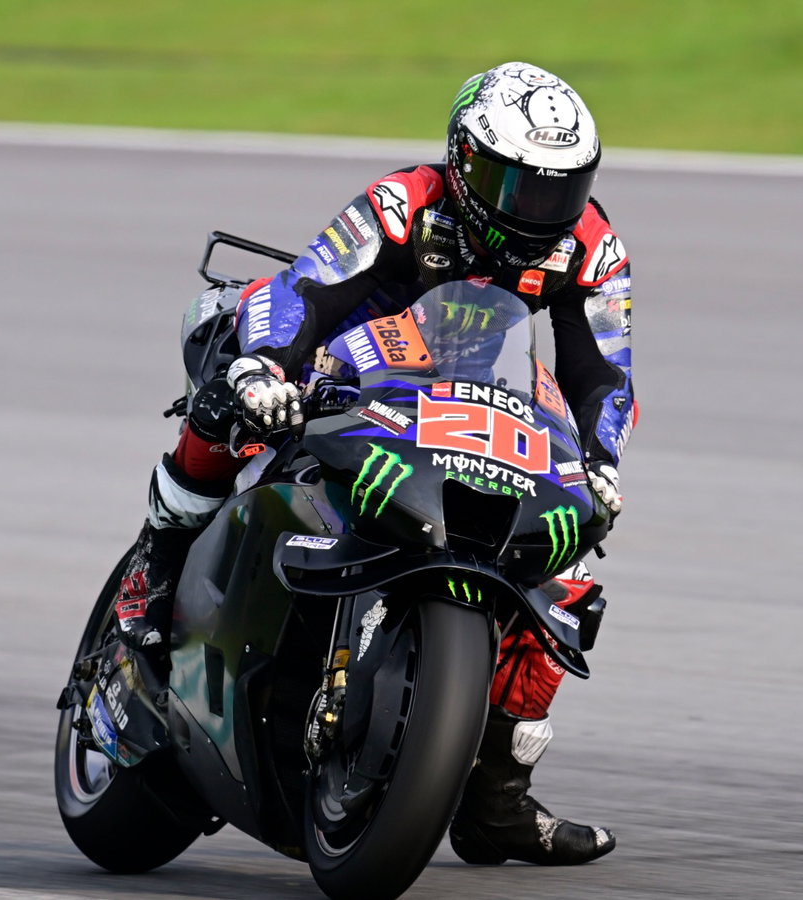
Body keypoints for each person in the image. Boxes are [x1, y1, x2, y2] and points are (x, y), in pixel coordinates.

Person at [114, 61, 635, 866]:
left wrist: (600, 461)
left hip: (481, 403)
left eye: (561, 190)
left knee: (563, 580)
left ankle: (496, 799)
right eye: (520, 187)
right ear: (465, 162)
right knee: (229, 401)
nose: (541, 210)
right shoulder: (405, 203)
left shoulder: (592, 247)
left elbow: (603, 371)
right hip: (350, 358)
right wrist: (266, 368)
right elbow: (313, 285)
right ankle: (157, 559)